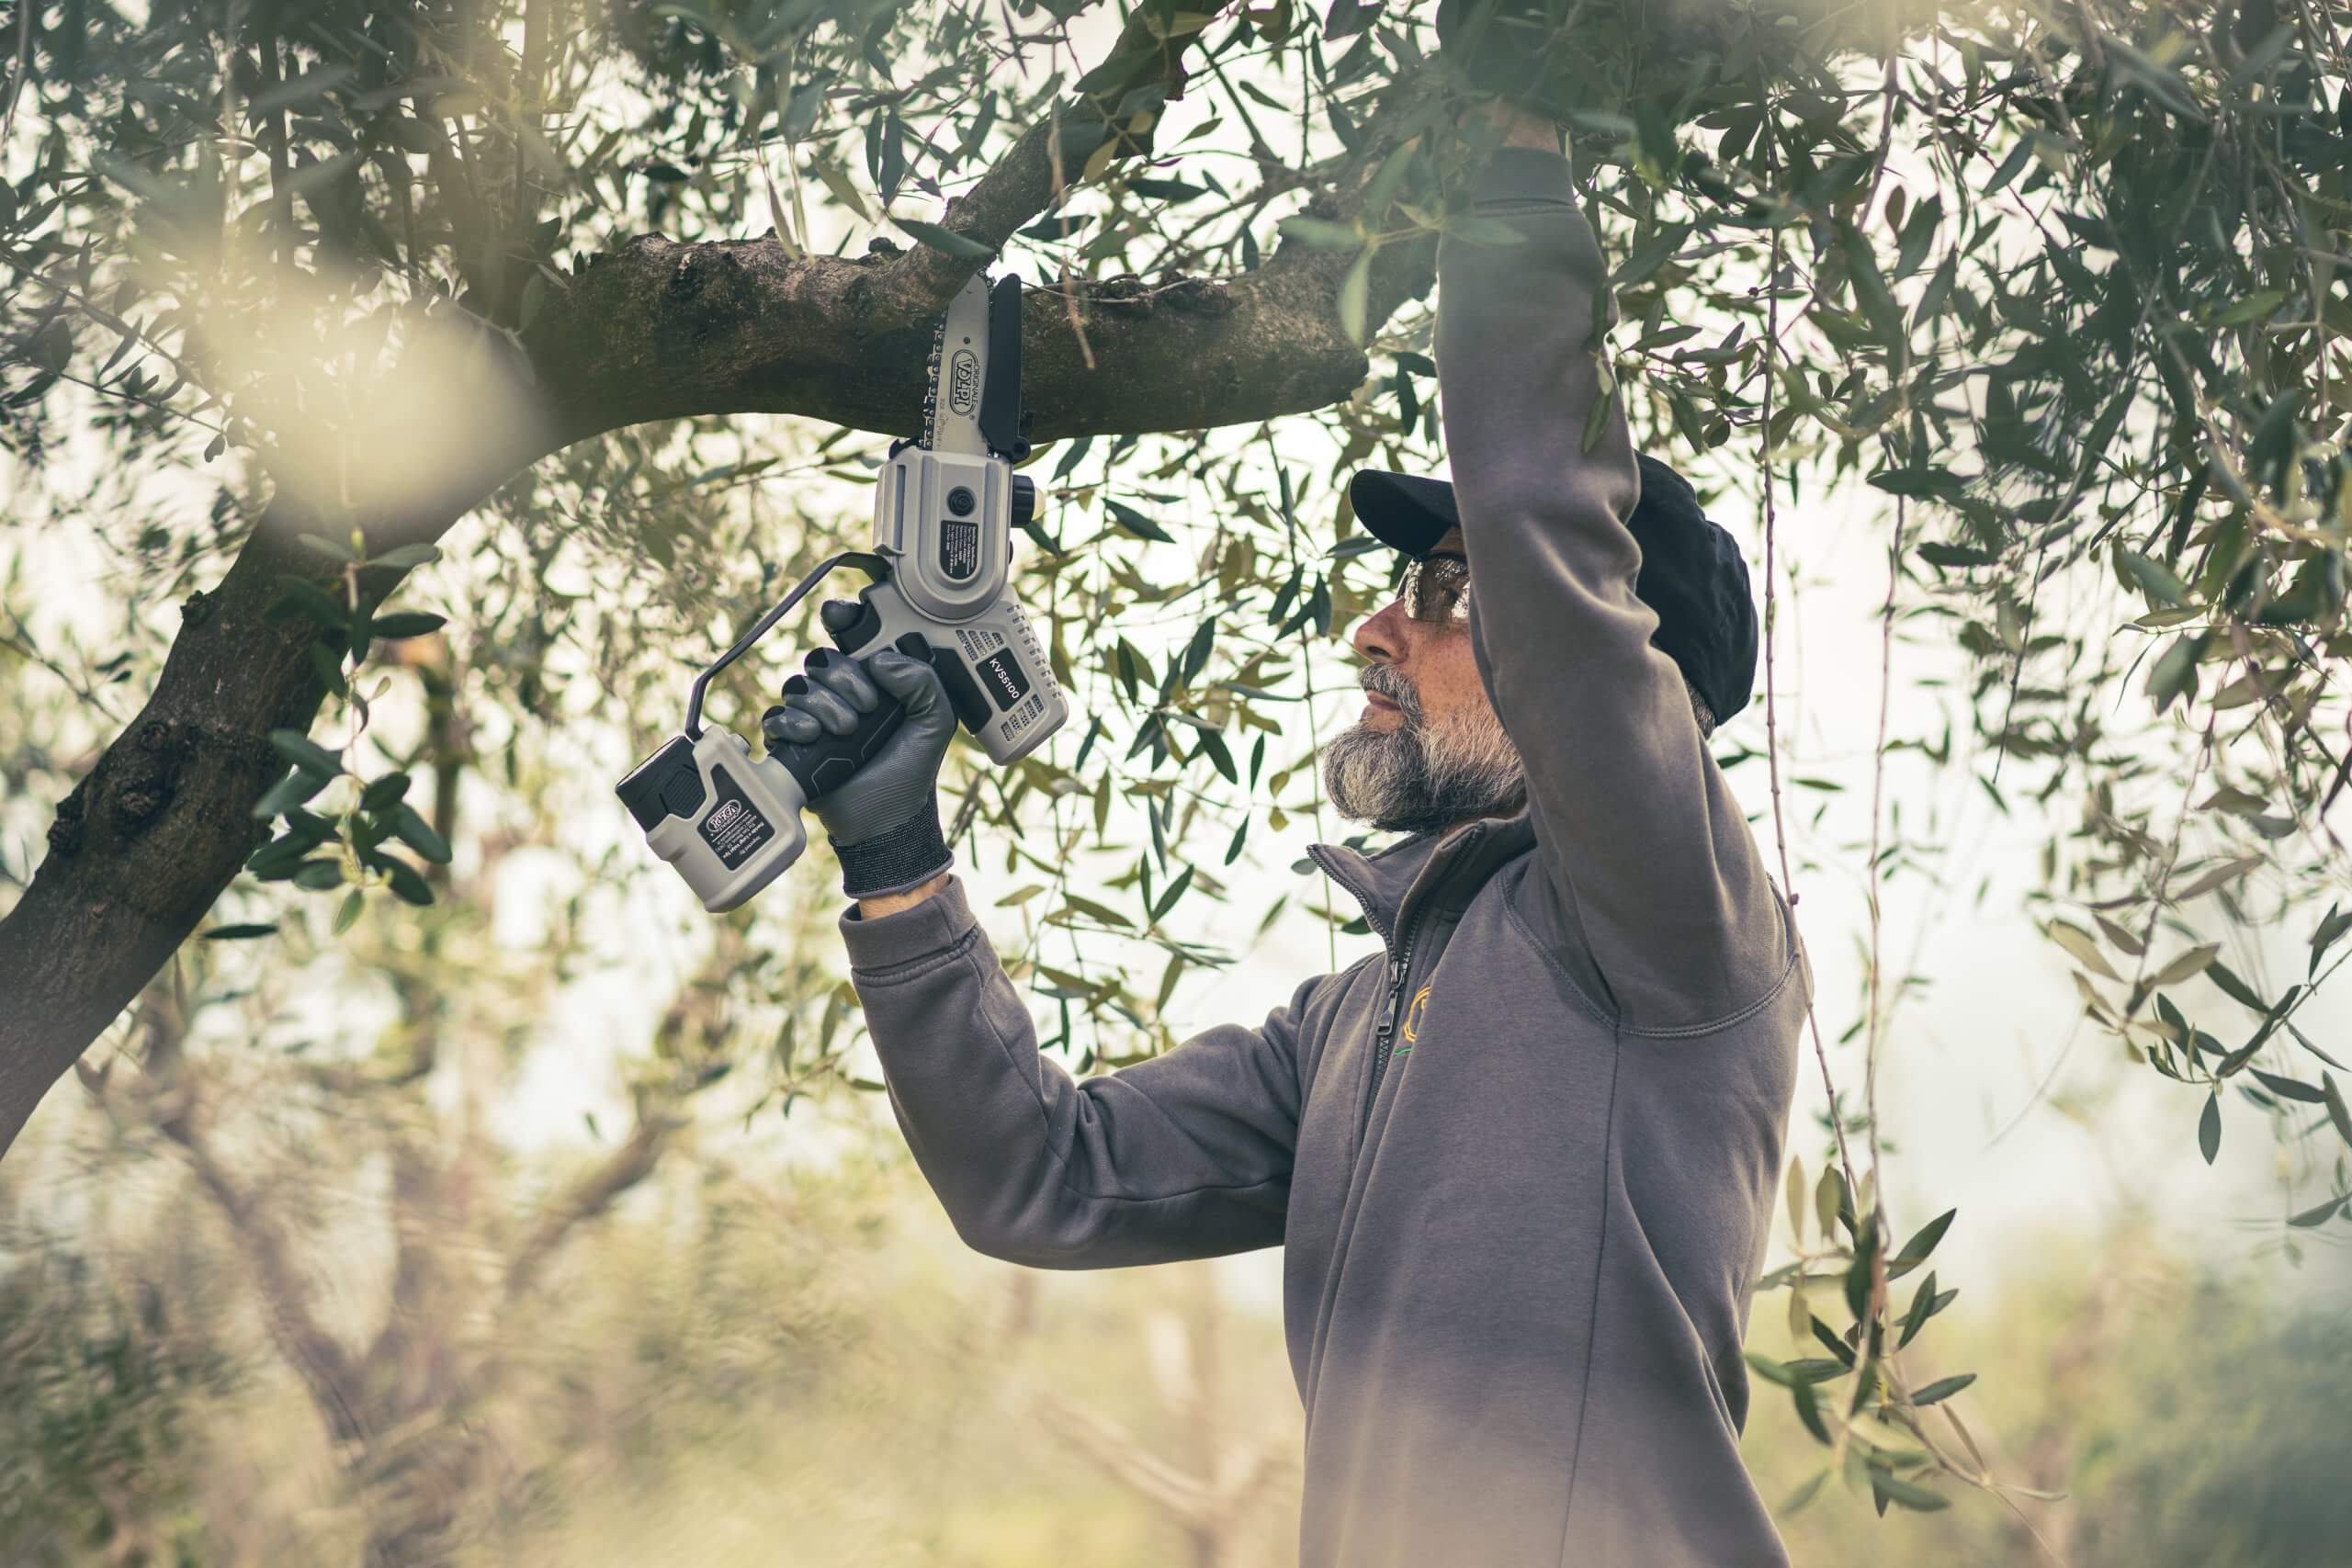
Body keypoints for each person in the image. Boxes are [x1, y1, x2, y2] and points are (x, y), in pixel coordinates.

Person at [761, 95, 1808, 1568]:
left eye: (1445, 589)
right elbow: (1040, 1179)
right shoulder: (1351, 1020)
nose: (1379, 626)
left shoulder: (1673, 926)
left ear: (1628, 696)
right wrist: (895, 866)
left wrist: (1513, 161)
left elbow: (1549, 544)